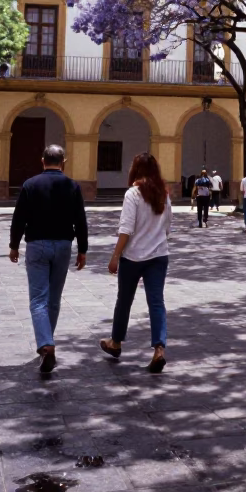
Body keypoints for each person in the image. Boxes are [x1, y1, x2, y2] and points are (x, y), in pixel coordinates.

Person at [8, 145, 88, 374]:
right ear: (64, 161)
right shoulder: (72, 186)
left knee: (38, 299)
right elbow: (80, 220)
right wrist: (83, 249)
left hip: (37, 245)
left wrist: (14, 245)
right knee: (53, 299)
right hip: (63, 245)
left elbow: (19, 218)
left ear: (42, 160)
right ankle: (47, 343)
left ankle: (46, 344)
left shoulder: (30, 185)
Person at [100, 153, 172, 373]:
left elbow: (126, 229)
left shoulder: (133, 194)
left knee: (124, 300)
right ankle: (159, 349)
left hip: (132, 257)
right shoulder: (164, 195)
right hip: (159, 256)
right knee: (156, 302)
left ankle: (116, 342)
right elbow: (168, 228)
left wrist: (114, 257)